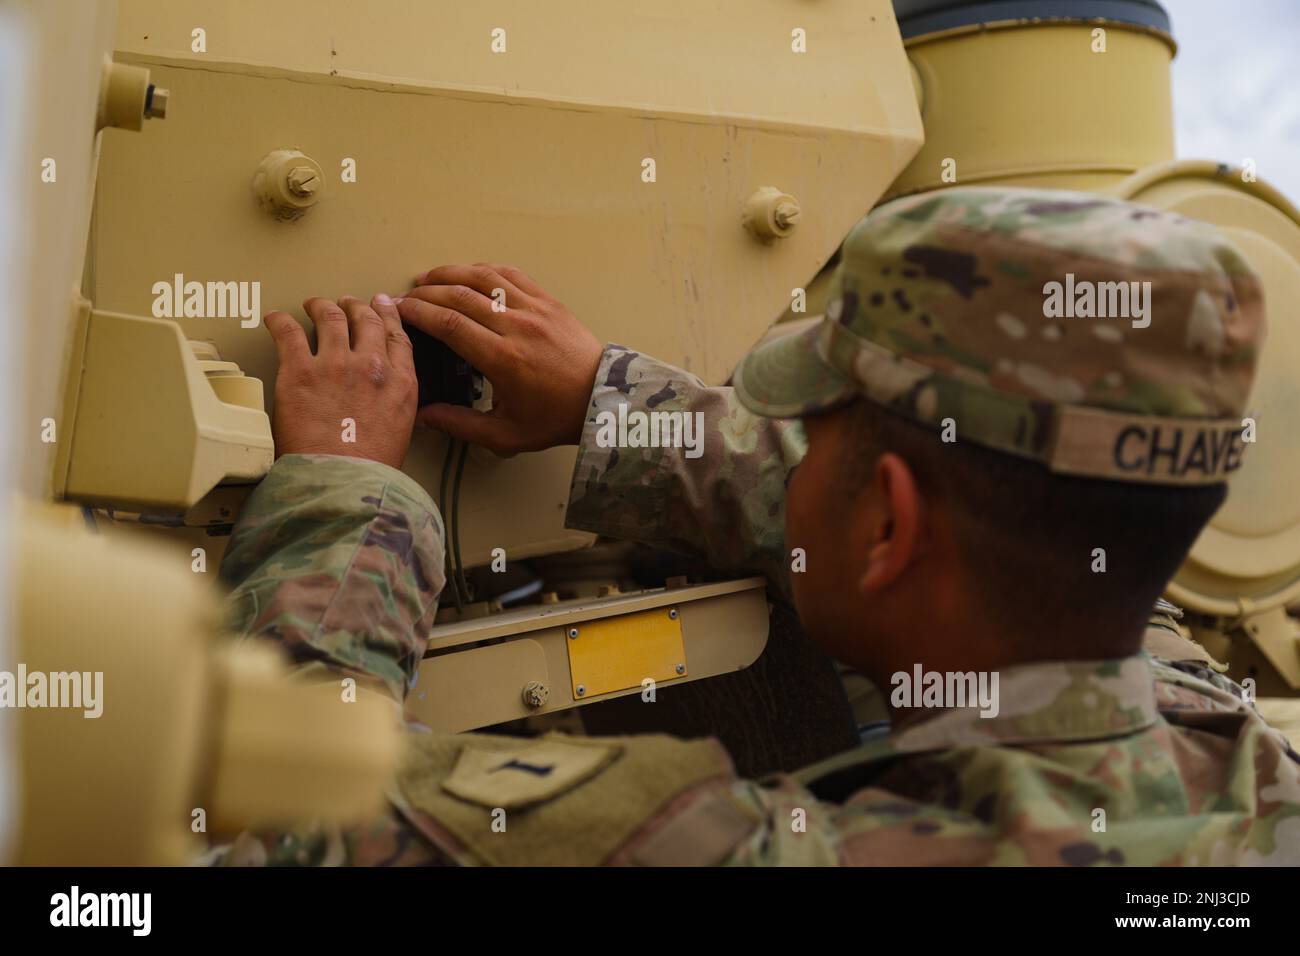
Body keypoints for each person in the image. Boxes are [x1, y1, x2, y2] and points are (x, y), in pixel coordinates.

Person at [217, 186, 1300, 866]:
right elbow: (1036, 531)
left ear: (888, 520)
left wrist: (347, 486)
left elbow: (303, 824)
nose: (785, 439)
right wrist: (609, 403)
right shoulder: (1225, 744)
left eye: (813, 421)